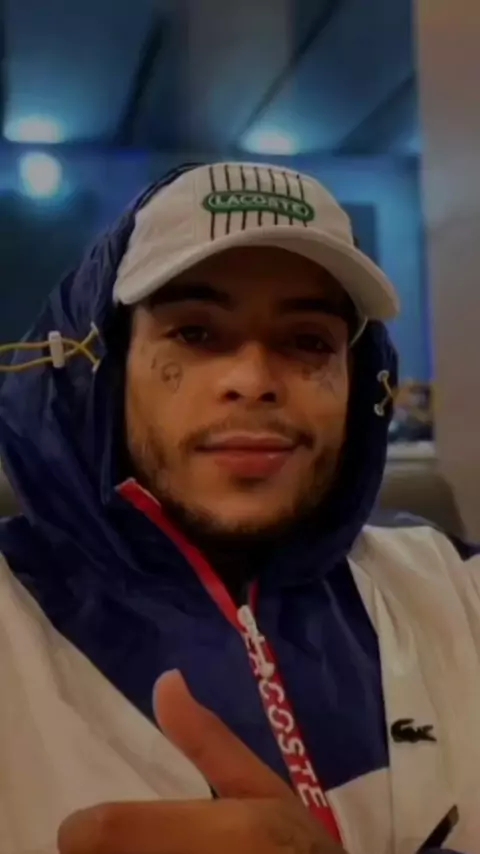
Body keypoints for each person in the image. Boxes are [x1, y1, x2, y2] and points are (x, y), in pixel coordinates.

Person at [0, 162, 478, 854]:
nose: (253, 381)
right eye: (195, 333)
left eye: (308, 341)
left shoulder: (454, 589)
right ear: (101, 367)